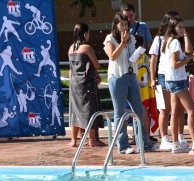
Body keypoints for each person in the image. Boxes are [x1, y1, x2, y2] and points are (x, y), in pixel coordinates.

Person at [104, 12, 154, 154]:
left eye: (126, 24)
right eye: (122, 25)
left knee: (138, 110)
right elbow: (112, 56)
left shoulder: (131, 38)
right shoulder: (110, 39)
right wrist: (123, 42)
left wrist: (137, 53)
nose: (125, 27)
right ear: (116, 25)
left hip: (131, 76)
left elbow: (131, 57)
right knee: (120, 112)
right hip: (118, 77)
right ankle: (123, 145)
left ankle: (143, 143)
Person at [161, 16, 194, 155]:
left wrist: (191, 56)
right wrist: (188, 58)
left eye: (183, 26)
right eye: (180, 27)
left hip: (171, 79)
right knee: (192, 110)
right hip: (177, 80)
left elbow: (177, 60)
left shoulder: (168, 40)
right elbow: (175, 64)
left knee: (175, 112)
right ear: (173, 28)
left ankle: (176, 144)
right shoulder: (175, 42)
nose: (183, 29)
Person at [149, 11, 185, 152]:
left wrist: (186, 34)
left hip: (175, 76)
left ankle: (179, 137)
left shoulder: (177, 39)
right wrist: (152, 78)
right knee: (164, 108)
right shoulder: (159, 39)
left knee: (178, 109)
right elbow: (153, 60)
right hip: (163, 76)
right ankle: (164, 138)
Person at [67, 23, 105, 148]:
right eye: (88, 33)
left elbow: (71, 69)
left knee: (75, 110)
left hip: (74, 83)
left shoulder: (71, 48)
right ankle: (92, 139)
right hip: (86, 83)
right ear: (84, 34)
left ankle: (73, 140)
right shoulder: (87, 48)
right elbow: (96, 65)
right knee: (89, 109)